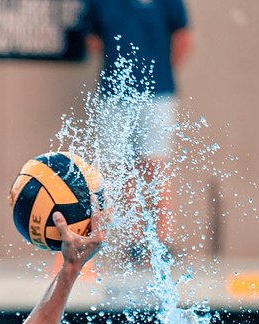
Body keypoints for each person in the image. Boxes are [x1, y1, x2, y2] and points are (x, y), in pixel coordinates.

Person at [81, 0, 192, 253]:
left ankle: (164, 238)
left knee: (156, 163)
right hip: (115, 95)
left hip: (157, 95)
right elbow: (93, 40)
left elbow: (183, 38)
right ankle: (135, 240)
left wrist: (156, 71)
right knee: (124, 167)